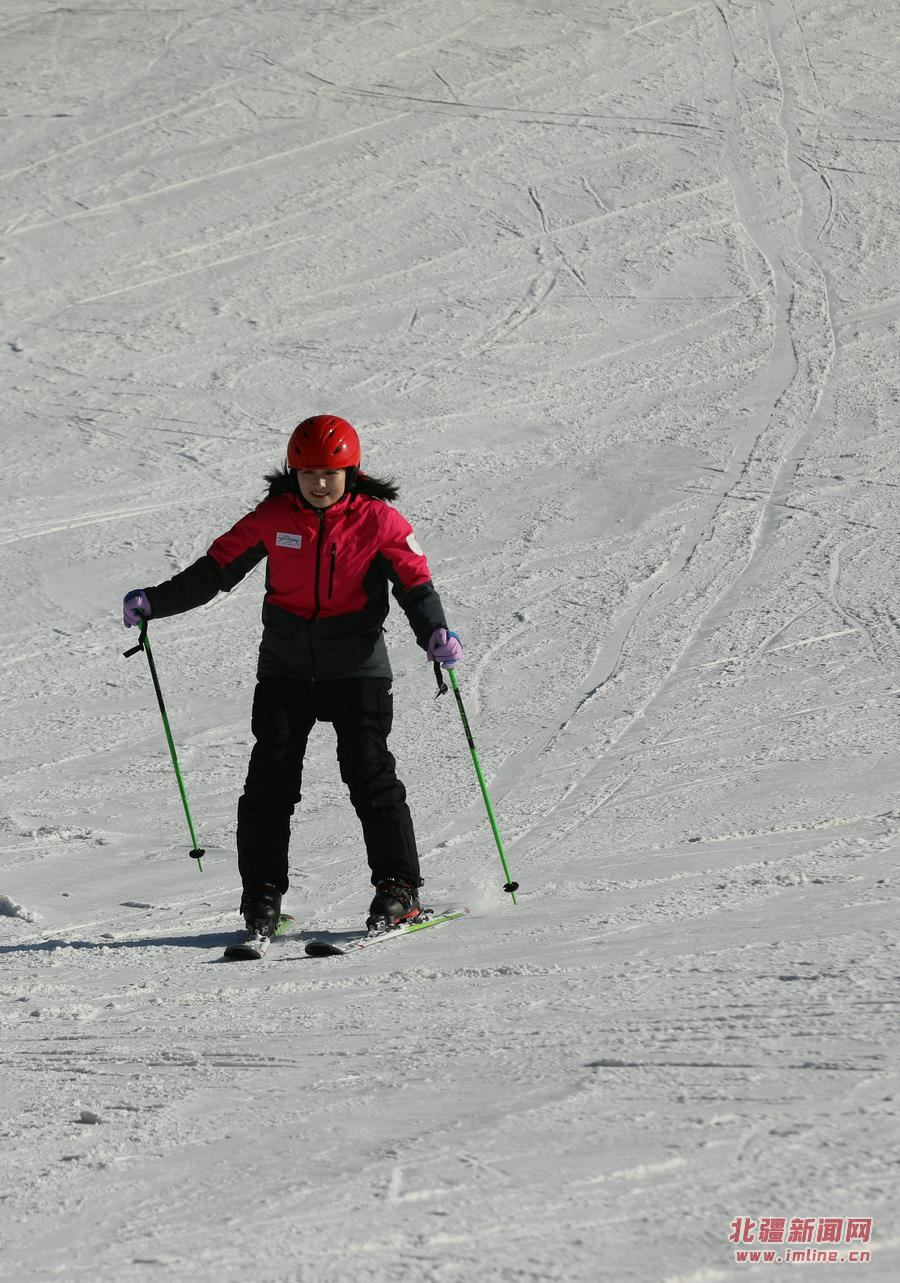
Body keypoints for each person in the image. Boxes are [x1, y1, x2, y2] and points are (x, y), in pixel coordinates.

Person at [122, 414, 463, 937]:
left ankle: (398, 889)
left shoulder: (380, 522)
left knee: (370, 774)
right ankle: (262, 895)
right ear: (293, 472)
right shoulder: (274, 517)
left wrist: (434, 632)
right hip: (285, 669)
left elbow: (415, 586)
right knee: (269, 782)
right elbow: (214, 571)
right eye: (308, 474)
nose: (318, 484)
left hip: (357, 669)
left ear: (351, 472)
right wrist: (155, 601)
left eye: (330, 474)